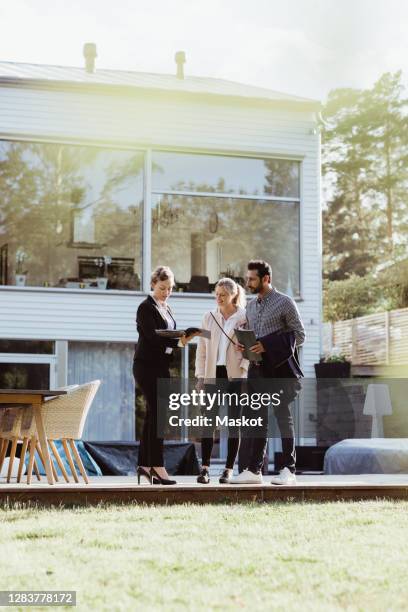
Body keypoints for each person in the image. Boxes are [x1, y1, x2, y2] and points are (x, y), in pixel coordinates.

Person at [231, 260, 305, 486]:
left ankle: (288, 469)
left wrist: (268, 345)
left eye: (252, 278)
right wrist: (244, 347)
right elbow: (255, 339)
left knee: (283, 418)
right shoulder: (251, 307)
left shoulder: (285, 303)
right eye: (247, 278)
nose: (247, 282)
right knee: (256, 420)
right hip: (257, 371)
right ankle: (254, 470)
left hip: (280, 371)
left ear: (266, 279)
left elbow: (300, 335)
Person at [133, 265, 198, 485]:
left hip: (161, 366)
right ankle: (158, 466)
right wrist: (175, 341)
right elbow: (153, 339)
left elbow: (168, 342)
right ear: (153, 285)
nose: (166, 292)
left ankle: (144, 465)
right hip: (146, 366)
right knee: (158, 416)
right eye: (162, 288)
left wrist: (183, 340)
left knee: (155, 415)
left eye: (170, 288)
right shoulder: (145, 308)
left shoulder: (167, 308)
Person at [195, 278, 248, 484]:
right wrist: (200, 376)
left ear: (233, 295)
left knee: (234, 424)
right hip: (212, 374)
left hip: (235, 375)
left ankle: (228, 470)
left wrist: (243, 373)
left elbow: (249, 349)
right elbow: (201, 349)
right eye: (216, 294)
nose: (218, 298)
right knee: (209, 422)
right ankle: (205, 469)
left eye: (222, 295)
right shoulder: (209, 317)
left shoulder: (244, 317)